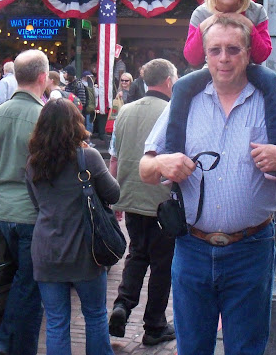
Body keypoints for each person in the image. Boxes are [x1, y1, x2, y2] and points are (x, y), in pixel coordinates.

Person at [139, 14, 276, 355]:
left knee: (247, 349)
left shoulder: (274, 102)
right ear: (205, 55)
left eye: (233, 49)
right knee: (192, 349)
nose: (224, 58)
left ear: (248, 54)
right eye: (216, 50)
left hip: (250, 251)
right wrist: (161, 162)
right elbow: (145, 169)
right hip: (191, 249)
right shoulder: (184, 101)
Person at [165, 0, 276, 181]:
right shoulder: (201, 13)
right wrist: (206, 25)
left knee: (272, 81)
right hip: (211, 70)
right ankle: (172, 153)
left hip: (248, 68)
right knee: (182, 85)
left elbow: (262, 54)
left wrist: (247, 25)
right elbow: (192, 57)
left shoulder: (256, 12)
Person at [26, 98, 119, 355]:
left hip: (47, 250)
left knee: (56, 322)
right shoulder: (87, 157)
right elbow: (113, 194)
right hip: (84, 250)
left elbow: (37, 203)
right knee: (95, 314)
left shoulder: (33, 161)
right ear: (75, 124)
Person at [0, 50, 50, 355]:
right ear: (43, 78)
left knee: (24, 281)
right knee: (30, 285)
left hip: (4, 212)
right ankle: (7, 345)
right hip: (33, 213)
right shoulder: (44, 116)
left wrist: (0, 187)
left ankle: (11, 345)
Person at [108, 59, 179, 346]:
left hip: (131, 197)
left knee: (137, 255)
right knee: (162, 265)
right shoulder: (174, 111)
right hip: (164, 202)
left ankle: (123, 304)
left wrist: (113, 201)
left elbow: (114, 156)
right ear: (169, 81)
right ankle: (154, 325)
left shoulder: (125, 111)